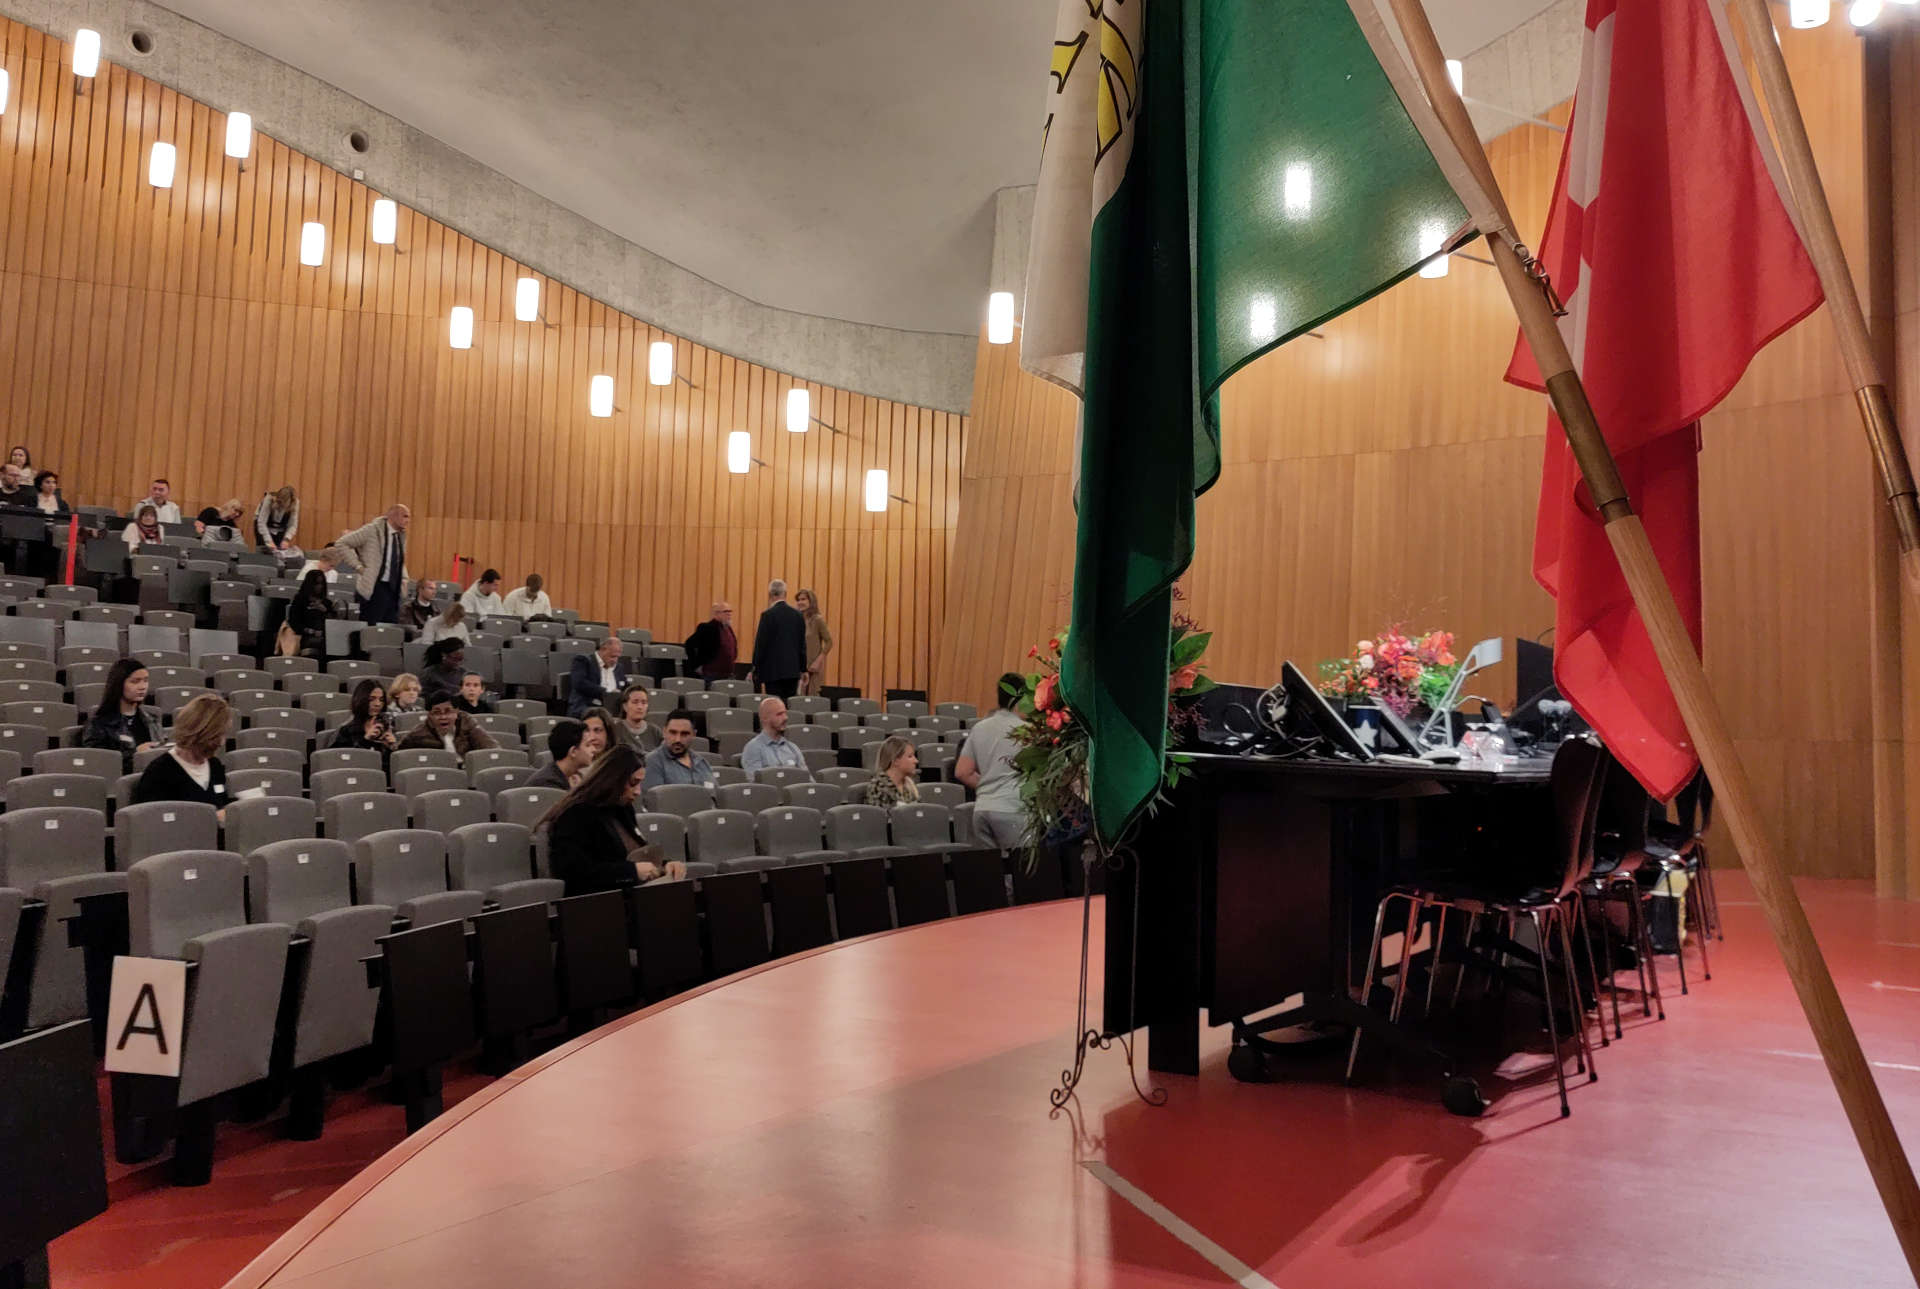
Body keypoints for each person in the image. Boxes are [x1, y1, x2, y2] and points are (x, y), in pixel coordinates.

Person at [540, 745, 686, 896]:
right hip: (596, 903)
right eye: (633, 783)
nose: (638, 791)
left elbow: (637, 851)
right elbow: (573, 872)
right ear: (613, 780)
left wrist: (665, 866)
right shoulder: (574, 814)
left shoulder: (623, 807)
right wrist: (631, 871)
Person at [955, 673, 1029, 851]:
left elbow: (962, 772)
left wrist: (990, 787)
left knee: (992, 873)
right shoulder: (1027, 731)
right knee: (1021, 873)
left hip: (982, 809)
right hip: (1013, 808)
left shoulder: (980, 727)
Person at [131, 694, 231, 816]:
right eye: (217, 736)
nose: (222, 742)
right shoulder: (160, 772)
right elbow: (154, 824)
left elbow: (222, 805)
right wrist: (210, 819)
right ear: (201, 733)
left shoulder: (215, 765)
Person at [335, 503, 410, 624]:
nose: (408, 521)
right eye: (405, 516)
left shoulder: (400, 536)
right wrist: (358, 566)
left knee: (389, 629)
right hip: (374, 586)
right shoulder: (371, 530)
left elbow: (398, 560)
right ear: (393, 516)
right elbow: (342, 543)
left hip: (393, 589)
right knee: (371, 627)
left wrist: (404, 579)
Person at [82, 656, 160, 773]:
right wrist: (135, 754)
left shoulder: (152, 720)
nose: (142, 686)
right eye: (135, 681)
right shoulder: (98, 724)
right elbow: (97, 764)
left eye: (145, 680)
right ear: (119, 684)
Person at [750, 579, 807, 700]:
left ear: (770, 595)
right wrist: (803, 669)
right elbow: (802, 646)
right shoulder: (798, 615)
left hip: (772, 671)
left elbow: (761, 644)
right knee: (788, 708)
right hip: (792, 671)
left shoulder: (767, 615)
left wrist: (755, 667)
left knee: (775, 707)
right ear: (785, 594)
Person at [397, 695, 497, 756]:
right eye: (437, 713)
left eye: (448, 712)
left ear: (457, 712)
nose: (443, 717)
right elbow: (399, 754)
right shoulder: (419, 733)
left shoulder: (468, 725)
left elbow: (491, 748)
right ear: (429, 715)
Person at [642, 710, 714, 791]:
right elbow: (655, 801)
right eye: (673, 732)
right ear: (664, 732)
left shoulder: (702, 762)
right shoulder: (652, 761)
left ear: (694, 734)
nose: (678, 739)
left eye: (684, 734)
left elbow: (715, 796)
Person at [567, 634, 633, 718]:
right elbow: (579, 683)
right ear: (603, 649)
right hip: (587, 705)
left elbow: (625, 686)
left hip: (612, 708)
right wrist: (607, 693)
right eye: (612, 656)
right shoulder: (583, 660)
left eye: (617, 657)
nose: (615, 660)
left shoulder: (618, 667)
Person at [741, 697, 808, 776]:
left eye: (785, 713)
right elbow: (755, 783)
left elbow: (807, 779)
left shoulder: (793, 748)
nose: (785, 718)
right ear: (765, 718)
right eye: (779, 714)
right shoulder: (753, 748)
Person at [331, 679, 398, 754]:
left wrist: (392, 748)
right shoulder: (347, 730)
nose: (377, 704)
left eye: (381, 700)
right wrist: (365, 740)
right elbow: (339, 759)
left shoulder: (387, 726)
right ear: (361, 700)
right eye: (372, 699)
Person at [528, 719, 595, 791]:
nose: (594, 749)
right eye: (588, 745)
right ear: (573, 751)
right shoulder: (546, 784)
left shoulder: (575, 777)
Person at [284, 569, 335, 658]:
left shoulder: (327, 603)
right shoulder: (300, 600)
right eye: (317, 584)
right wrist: (310, 631)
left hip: (325, 638)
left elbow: (333, 624)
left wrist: (324, 610)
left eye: (322, 584)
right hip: (305, 635)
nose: (320, 587)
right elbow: (294, 622)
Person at [863, 735, 921, 809]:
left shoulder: (909, 785)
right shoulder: (878, 786)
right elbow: (879, 818)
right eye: (910, 756)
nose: (916, 761)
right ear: (896, 760)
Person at [683, 602, 737, 682]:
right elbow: (689, 645)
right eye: (726, 611)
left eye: (730, 611)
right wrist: (696, 666)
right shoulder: (707, 628)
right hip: (711, 674)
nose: (729, 614)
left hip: (727, 674)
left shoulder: (728, 629)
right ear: (717, 614)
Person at [796, 587, 833, 695]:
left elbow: (829, 642)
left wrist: (818, 661)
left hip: (813, 668)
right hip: (799, 668)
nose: (800, 602)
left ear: (811, 601)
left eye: (803, 599)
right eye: (798, 600)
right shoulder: (797, 619)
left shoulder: (817, 620)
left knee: (812, 699)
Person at [611, 683, 661, 756]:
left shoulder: (655, 731)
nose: (640, 707)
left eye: (644, 702)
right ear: (625, 706)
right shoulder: (616, 730)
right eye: (635, 702)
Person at [254, 485, 301, 561]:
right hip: (263, 525)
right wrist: (269, 541)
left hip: (280, 528)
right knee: (264, 550)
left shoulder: (295, 503)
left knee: (278, 551)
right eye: (281, 503)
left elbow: (292, 525)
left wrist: (286, 539)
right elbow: (262, 523)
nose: (282, 506)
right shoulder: (269, 499)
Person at [418, 639, 467, 706]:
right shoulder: (429, 673)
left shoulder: (464, 673)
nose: (459, 663)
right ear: (444, 655)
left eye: (461, 659)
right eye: (455, 659)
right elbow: (421, 697)